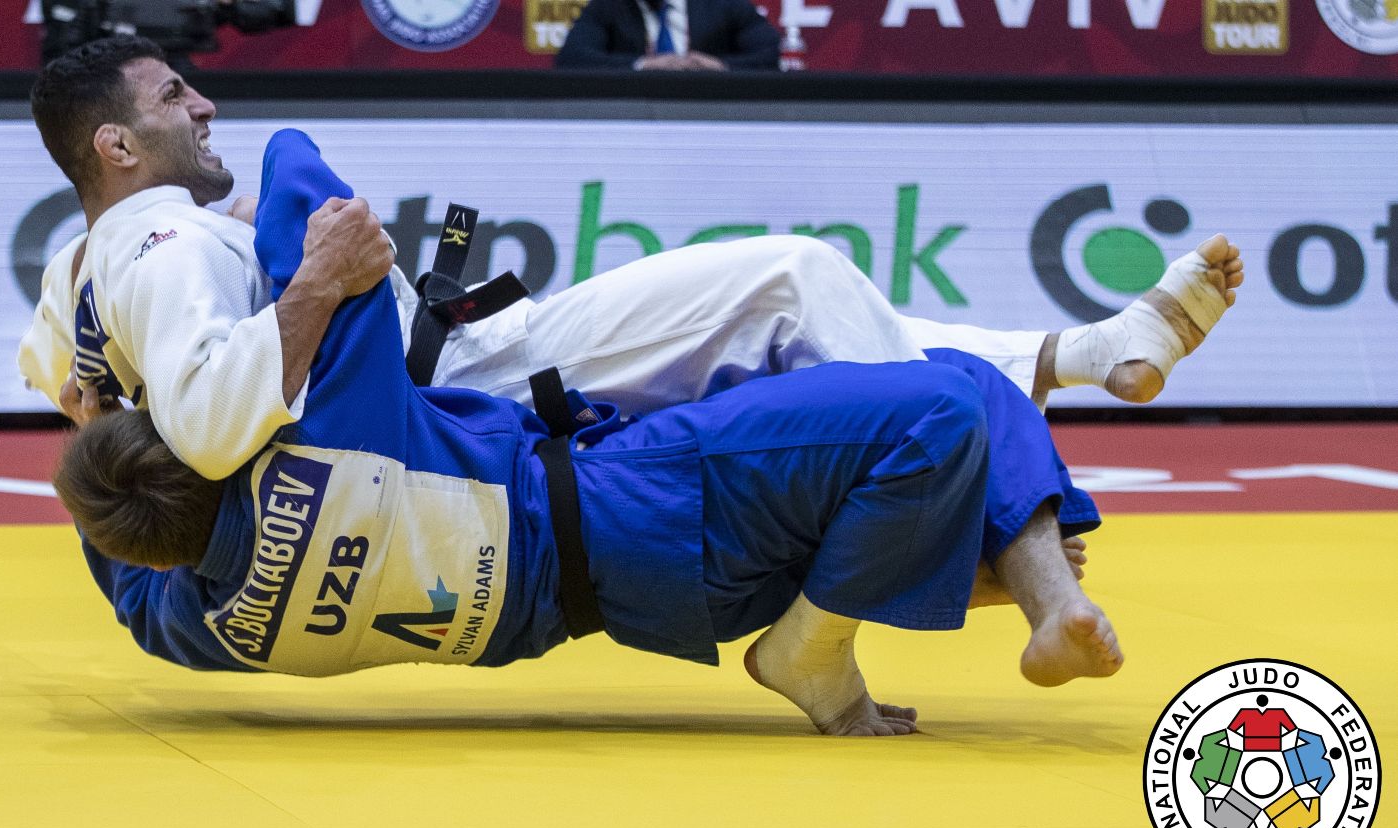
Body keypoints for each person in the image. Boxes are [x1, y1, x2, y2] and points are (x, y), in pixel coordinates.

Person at [54, 129, 1119, 736]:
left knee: (929, 418)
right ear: (212, 455)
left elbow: (127, 563)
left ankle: (1017, 582)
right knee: (941, 402)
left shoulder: (197, 626)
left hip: (636, 606)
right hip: (640, 499)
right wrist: (266, 258)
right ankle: (838, 640)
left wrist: (105, 430)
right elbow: (297, 171)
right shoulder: (325, 433)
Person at [17, 37, 1245, 483]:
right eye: (177, 98)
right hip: (462, 391)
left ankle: (1079, 354)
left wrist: (85, 399)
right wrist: (316, 280)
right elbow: (217, 425)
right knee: (790, 278)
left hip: (451, 359)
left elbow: (63, 374)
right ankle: (979, 469)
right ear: (119, 144)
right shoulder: (170, 243)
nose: (207, 106)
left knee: (785, 309)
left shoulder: (83, 264)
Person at [554, 0, 779, 71]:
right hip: (634, 119)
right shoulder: (609, 6)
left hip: (713, 115)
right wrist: (643, 65)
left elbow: (769, 54)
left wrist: (719, 67)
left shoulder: (722, 4)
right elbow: (572, 58)